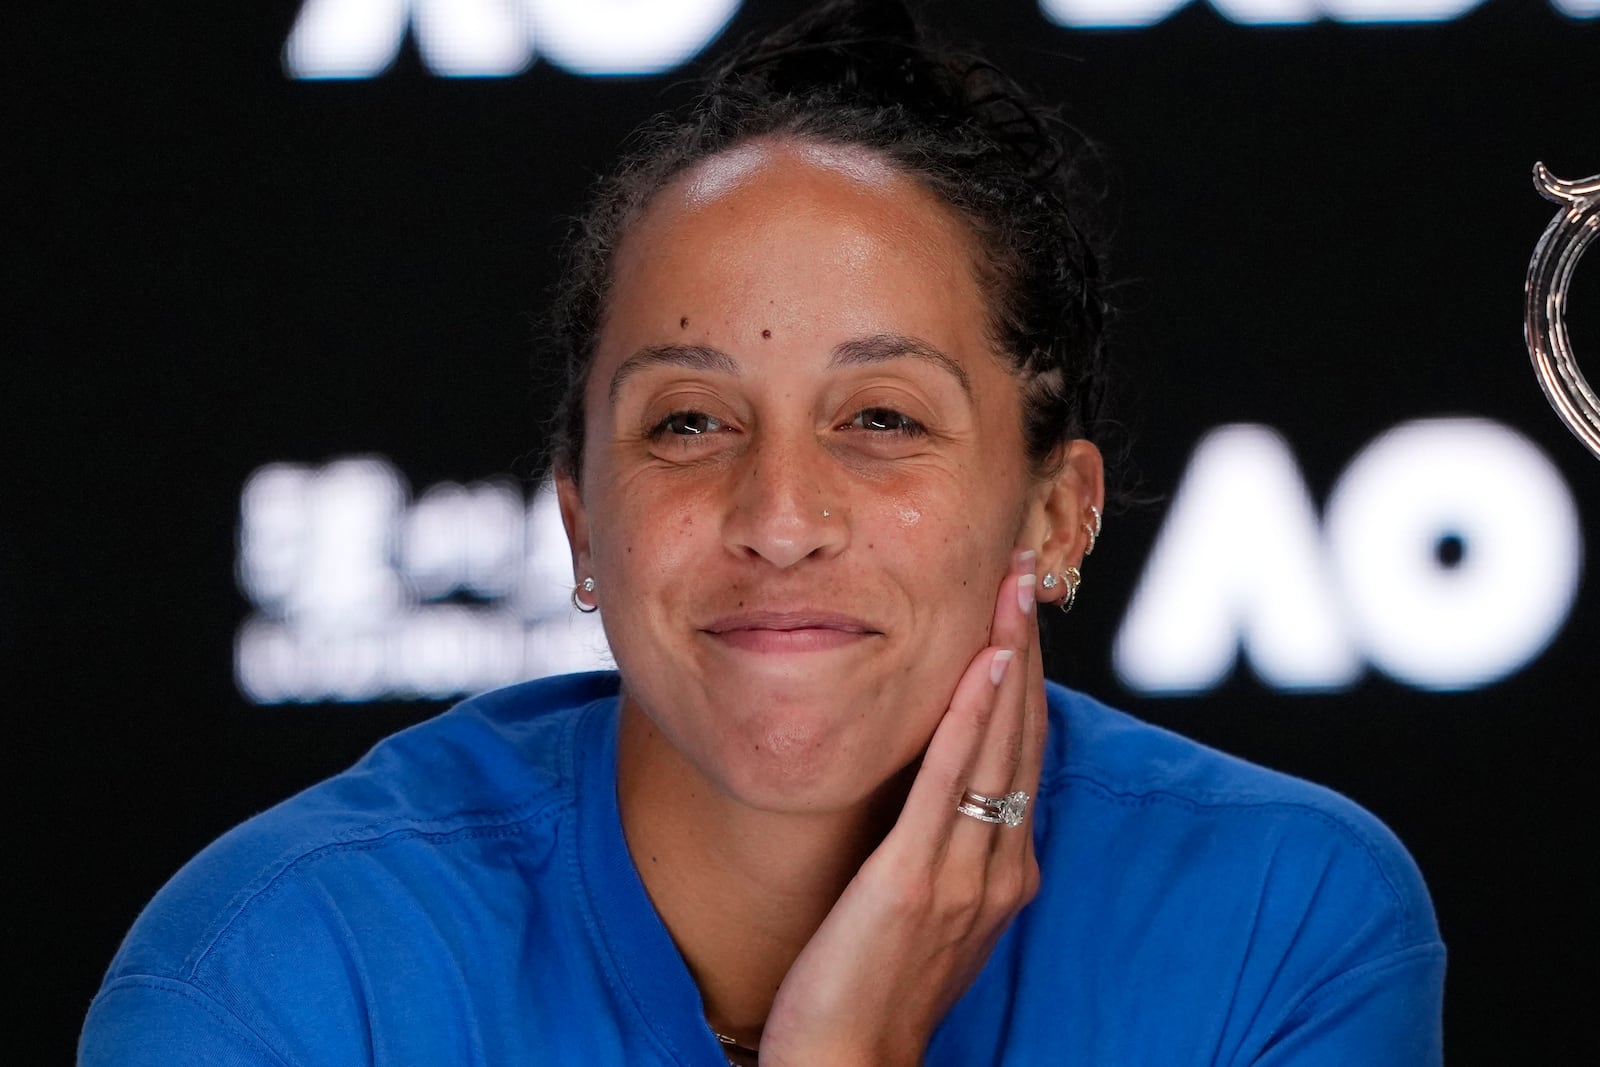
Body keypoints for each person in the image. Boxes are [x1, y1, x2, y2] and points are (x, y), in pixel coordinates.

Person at [79, 2, 1445, 1063]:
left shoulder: (1282, 923)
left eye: (883, 419)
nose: (779, 518)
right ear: (580, 525)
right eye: (687, 423)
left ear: (1055, 514)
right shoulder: (282, 970)